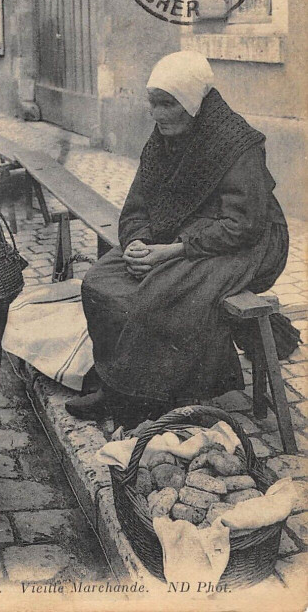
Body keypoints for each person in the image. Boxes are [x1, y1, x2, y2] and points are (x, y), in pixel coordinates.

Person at [68, 51, 289, 429]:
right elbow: (136, 206)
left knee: (161, 293)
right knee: (100, 281)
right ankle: (115, 382)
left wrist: (170, 250)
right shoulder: (162, 141)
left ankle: (154, 399)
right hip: (181, 238)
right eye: (152, 103)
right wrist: (137, 242)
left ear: (192, 103)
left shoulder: (237, 145)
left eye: (167, 104)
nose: (156, 114)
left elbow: (244, 225)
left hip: (248, 244)